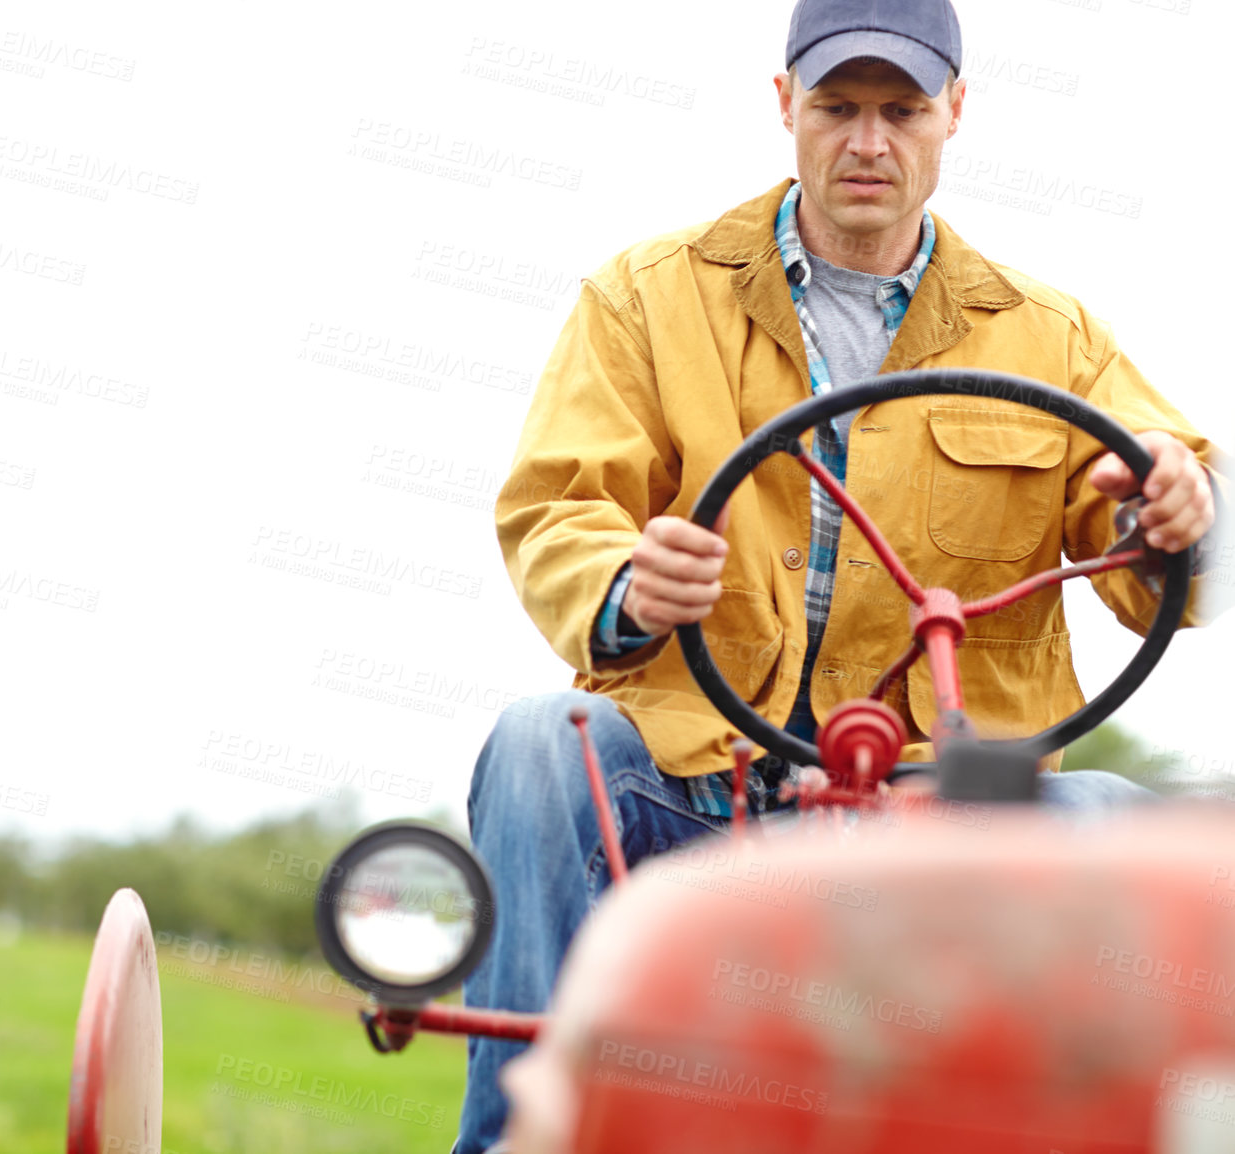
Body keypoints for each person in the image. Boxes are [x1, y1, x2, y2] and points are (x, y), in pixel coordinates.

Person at [454, 0, 1223, 1149]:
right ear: (784, 107)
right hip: (699, 781)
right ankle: (524, 1130)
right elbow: (559, 508)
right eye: (838, 107)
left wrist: (1176, 516)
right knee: (537, 739)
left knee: (1117, 822)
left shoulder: (1049, 337)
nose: (869, 142)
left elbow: (1172, 523)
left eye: (901, 110)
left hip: (944, 806)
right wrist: (624, 584)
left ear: (953, 114)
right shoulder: (646, 297)